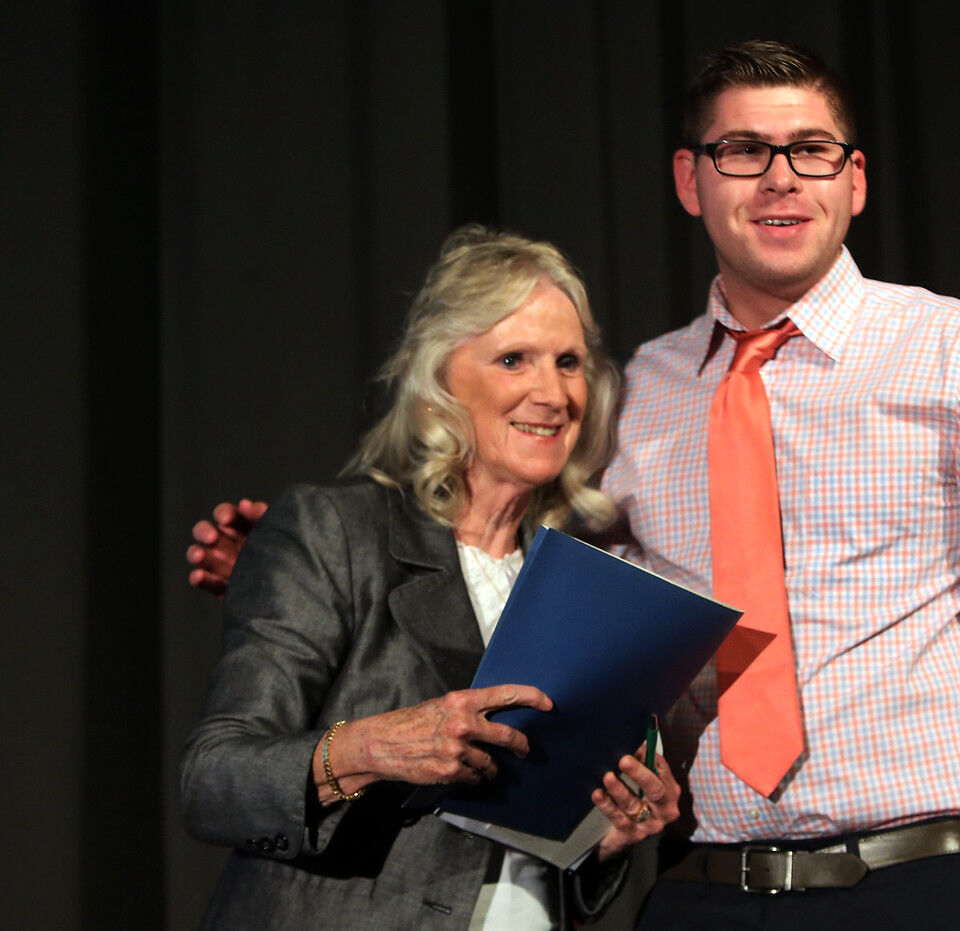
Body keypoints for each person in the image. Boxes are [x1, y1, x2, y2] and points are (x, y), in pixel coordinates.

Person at [189, 40, 960, 931]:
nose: (780, 176)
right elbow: (534, 592)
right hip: (697, 887)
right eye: (742, 151)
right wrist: (299, 564)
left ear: (855, 179)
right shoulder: (639, 395)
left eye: (811, 151)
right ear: (690, 180)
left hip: (915, 880)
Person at [180, 227, 679, 930]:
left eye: (569, 362)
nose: (552, 391)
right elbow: (212, 780)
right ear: (441, 375)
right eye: (514, 359)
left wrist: (608, 835)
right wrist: (371, 746)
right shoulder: (334, 530)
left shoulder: (586, 582)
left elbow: (534, 843)